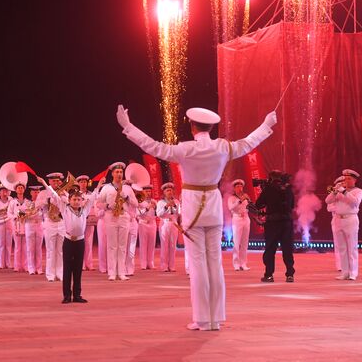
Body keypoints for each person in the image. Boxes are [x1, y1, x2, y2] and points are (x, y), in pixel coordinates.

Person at [117, 104, 276, 331]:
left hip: (193, 209)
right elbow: (249, 142)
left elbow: (152, 146)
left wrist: (128, 126)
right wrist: (266, 124)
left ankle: (202, 319)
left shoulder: (185, 149)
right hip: (212, 206)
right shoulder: (222, 147)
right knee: (215, 264)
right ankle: (215, 319)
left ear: (192, 126)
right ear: (211, 127)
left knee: (199, 264)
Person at [38, 176, 105, 303]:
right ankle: (67, 296)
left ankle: (77, 295)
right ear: (69, 200)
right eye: (74, 199)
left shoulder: (84, 210)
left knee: (78, 269)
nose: (76, 201)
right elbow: (55, 195)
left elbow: (93, 196)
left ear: (81, 201)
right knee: (67, 269)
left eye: (78, 200)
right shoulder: (65, 209)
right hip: (68, 242)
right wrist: (45, 183)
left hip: (80, 242)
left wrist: (99, 184)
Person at [97, 162, 139, 281]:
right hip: (110, 216)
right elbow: (98, 203)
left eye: (121, 172)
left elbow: (136, 203)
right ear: (112, 173)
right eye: (117, 172)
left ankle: (121, 272)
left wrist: (127, 198)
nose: (119, 174)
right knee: (112, 245)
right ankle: (112, 272)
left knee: (122, 245)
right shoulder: (107, 187)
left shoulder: (127, 188)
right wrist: (107, 206)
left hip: (124, 216)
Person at [256, 170, 295, 283]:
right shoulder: (288, 189)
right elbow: (292, 205)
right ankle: (290, 274)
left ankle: (269, 275)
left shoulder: (268, 188)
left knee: (270, 249)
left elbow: (259, 204)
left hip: (272, 223)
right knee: (287, 249)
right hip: (287, 222)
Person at [325, 169, 362, 281]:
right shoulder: (339, 191)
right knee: (342, 248)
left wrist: (344, 192)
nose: (346, 181)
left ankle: (353, 273)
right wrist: (335, 191)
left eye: (349, 179)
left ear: (354, 180)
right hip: (338, 219)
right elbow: (327, 201)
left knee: (352, 247)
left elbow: (355, 202)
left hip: (350, 219)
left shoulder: (358, 191)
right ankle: (345, 272)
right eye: (345, 178)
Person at [35, 172, 67, 282]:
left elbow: (68, 204)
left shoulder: (64, 192)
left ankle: (60, 273)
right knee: (50, 250)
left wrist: (63, 196)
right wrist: (47, 201)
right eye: (53, 181)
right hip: (49, 222)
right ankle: (50, 274)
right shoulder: (43, 193)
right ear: (49, 182)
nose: (56, 183)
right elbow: (36, 206)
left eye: (58, 181)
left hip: (61, 222)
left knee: (61, 250)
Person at [227, 179, 252, 271]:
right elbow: (230, 208)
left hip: (246, 218)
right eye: (237, 186)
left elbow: (249, 207)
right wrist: (239, 201)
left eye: (241, 186)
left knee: (245, 243)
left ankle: (243, 263)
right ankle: (236, 264)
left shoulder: (245, 196)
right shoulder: (232, 198)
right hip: (237, 219)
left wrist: (248, 201)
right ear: (234, 188)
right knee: (236, 242)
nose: (239, 188)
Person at [156, 182, 180, 272]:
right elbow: (159, 214)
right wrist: (166, 206)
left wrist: (174, 205)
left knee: (173, 245)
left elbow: (178, 213)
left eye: (170, 190)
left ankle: (172, 265)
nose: (169, 192)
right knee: (164, 245)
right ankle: (164, 266)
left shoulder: (176, 202)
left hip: (174, 224)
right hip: (164, 224)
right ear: (164, 193)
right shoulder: (160, 202)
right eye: (167, 191)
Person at [8, 182, 29, 273]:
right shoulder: (12, 202)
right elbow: (9, 213)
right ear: (16, 190)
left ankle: (25, 266)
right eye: (18, 188)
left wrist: (26, 216)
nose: (20, 189)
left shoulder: (28, 202)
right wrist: (15, 217)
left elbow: (30, 212)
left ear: (24, 190)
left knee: (25, 246)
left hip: (25, 225)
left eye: (21, 188)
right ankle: (17, 266)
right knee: (17, 247)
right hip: (16, 225)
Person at [77, 175, 97, 271]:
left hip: (90, 220)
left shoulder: (91, 194)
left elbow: (95, 205)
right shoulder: (76, 195)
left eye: (85, 182)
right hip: (79, 219)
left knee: (89, 242)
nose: (83, 184)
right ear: (78, 183)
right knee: (80, 242)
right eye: (81, 182)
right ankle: (81, 264)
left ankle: (89, 264)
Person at [327, 176, 344, 272]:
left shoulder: (349, 193)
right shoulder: (333, 193)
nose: (342, 184)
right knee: (338, 244)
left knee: (349, 245)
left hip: (348, 219)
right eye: (340, 183)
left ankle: (348, 265)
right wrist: (340, 207)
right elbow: (329, 208)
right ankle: (340, 266)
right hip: (336, 219)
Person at [137, 184, 157, 270]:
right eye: (146, 191)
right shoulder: (139, 201)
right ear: (142, 192)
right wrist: (147, 209)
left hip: (152, 223)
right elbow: (137, 214)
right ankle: (143, 264)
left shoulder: (154, 201)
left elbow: (158, 214)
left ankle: (150, 262)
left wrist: (155, 208)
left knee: (152, 244)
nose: (148, 193)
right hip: (143, 223)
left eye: (149, 191)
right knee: (143, 244)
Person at [25, 185, 44, 275]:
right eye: (35, 192)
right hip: (30, 225)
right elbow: (24, 215)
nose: (36, 194)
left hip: (39, 225)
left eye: (38, 192)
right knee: (30, 248)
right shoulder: (27, 203)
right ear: (31, 193)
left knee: (38, 248)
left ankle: (39, 268)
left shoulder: (43, 203)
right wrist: (33, 212)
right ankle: (31, 268)